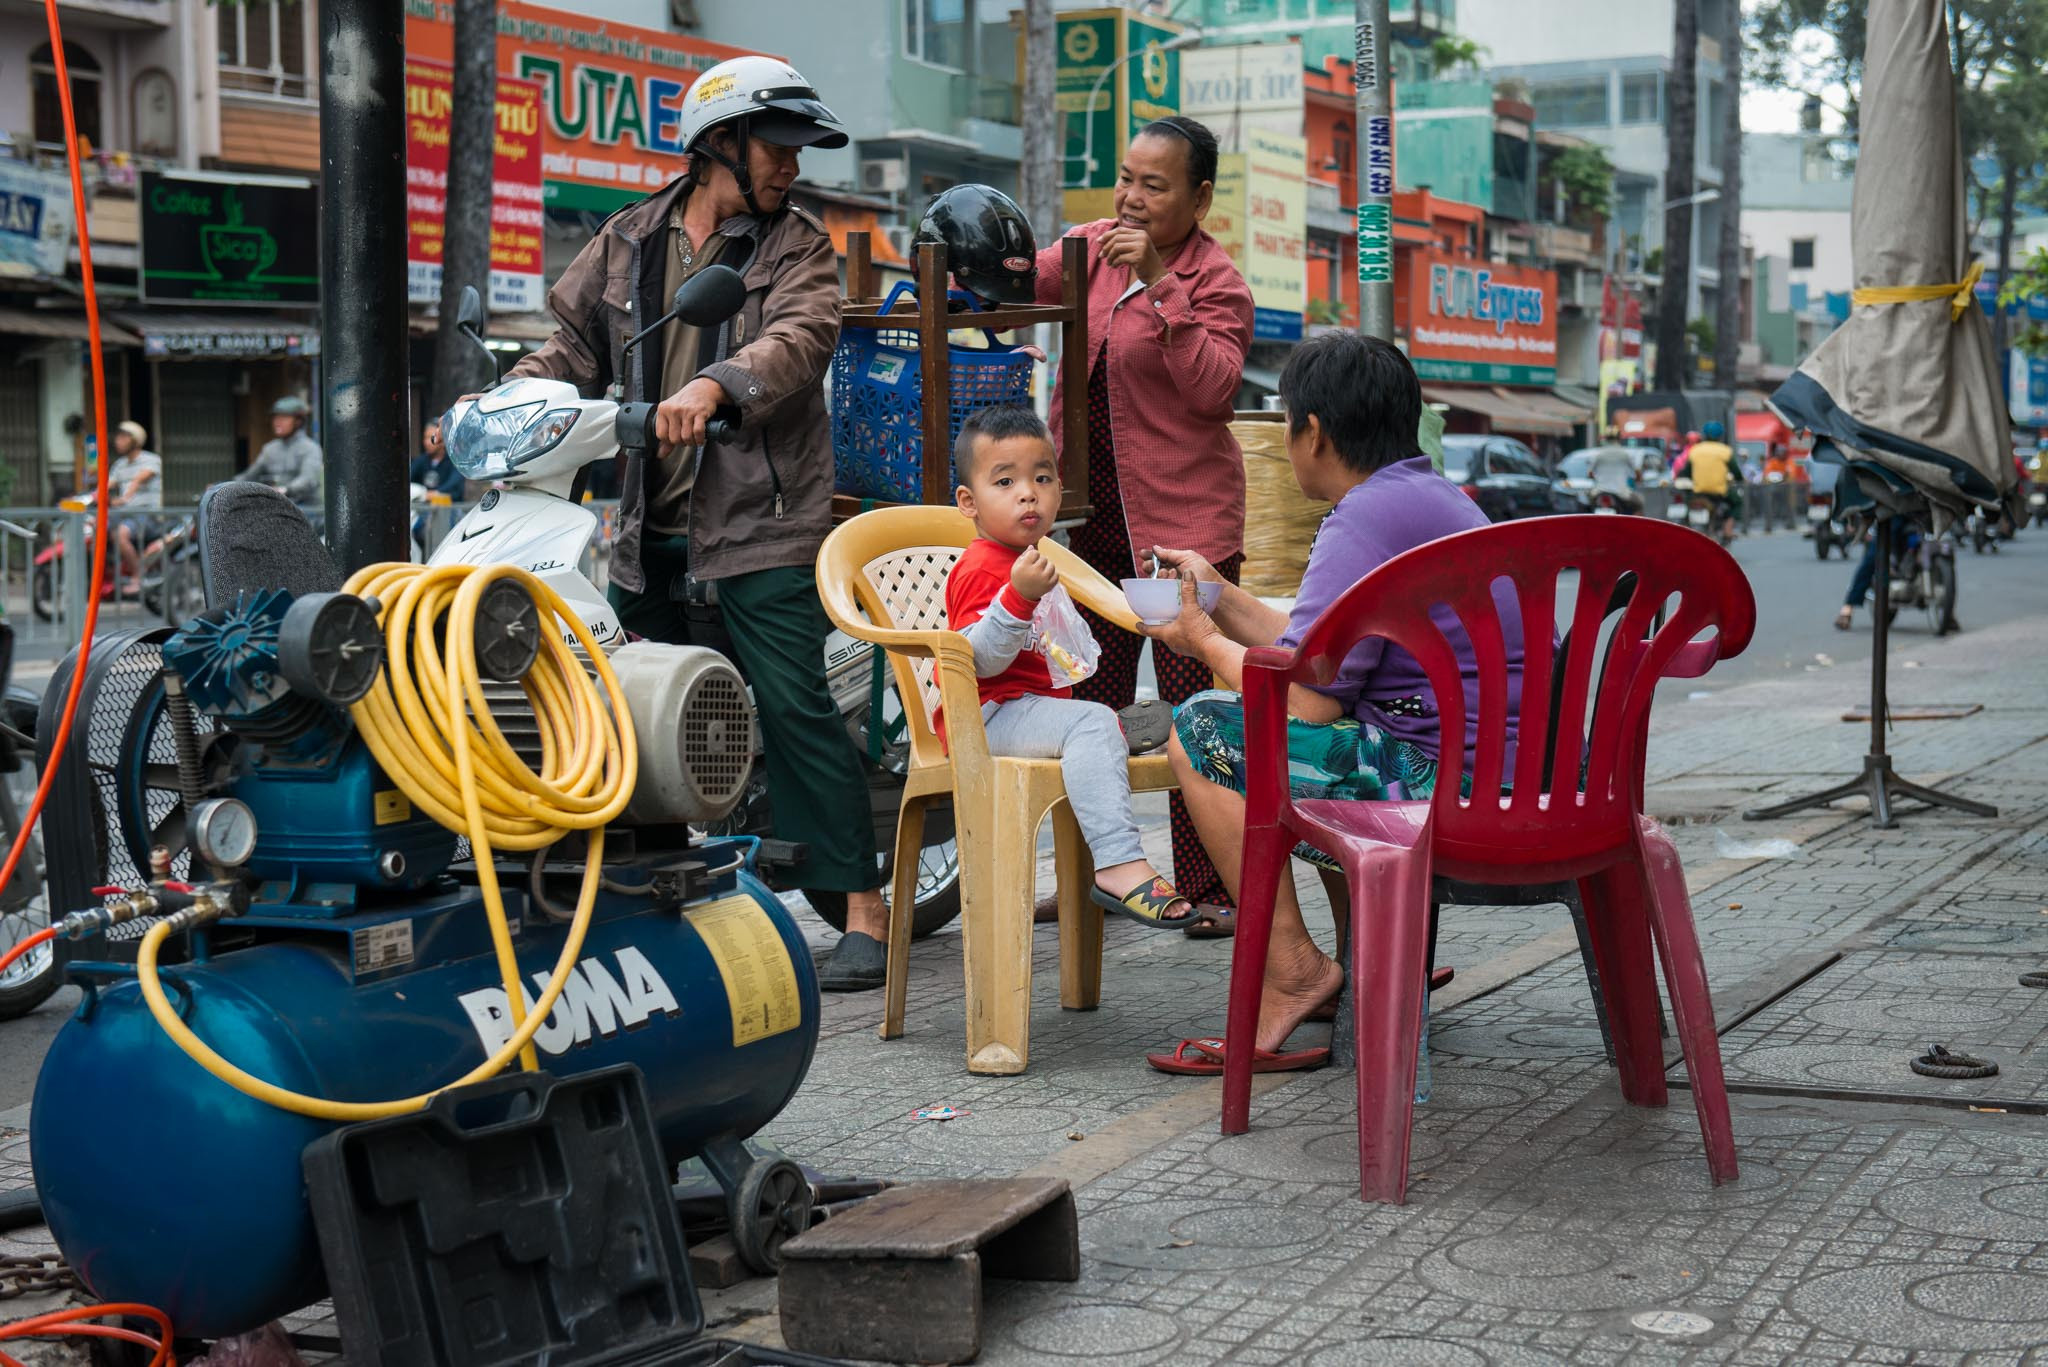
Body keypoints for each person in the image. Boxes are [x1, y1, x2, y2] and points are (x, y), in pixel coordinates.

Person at [501, 56, 890, 991]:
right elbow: (572, 346)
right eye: (778, 145)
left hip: (763, 521)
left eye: (798, 149)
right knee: (632, 712)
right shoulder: (629, 238)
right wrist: (504, 399)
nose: (792, 165)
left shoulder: (797, 248)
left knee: (793, 708)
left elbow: (798, 339)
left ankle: (864, 910)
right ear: (720, 143)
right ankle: (664, 895)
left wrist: (717, 385)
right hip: (651, 525)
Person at [1137, 332, 1525, 1074]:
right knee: (1340, 736)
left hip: (1448, 793)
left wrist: (1200, 642)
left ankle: (1295, 972)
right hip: (1525, 781)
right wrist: (1217, 597)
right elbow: (1318, 652)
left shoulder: (1362, 519)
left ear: (1311, 431)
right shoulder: (1434, 499)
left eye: (1288, 424)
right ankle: (1370, 958)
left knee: (1201, 730)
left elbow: (1305, 704)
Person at [1031, 114, 1255, 934]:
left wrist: (1161, 282)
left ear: (1199, 197)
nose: (1130, 197)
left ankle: (1213, 888)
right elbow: (1018, 277)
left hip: (1183, 528)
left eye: (1153, 186)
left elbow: (1214, 390)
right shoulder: (1088, 249)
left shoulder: (1217, 282)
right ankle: (1098, 876)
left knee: (1197, 712)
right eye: (1126, 178)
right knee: (1091, 702)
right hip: (1091, 522)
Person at [943, 406, 1191, 926]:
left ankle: (1105, 734)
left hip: (1029, 708)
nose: (1027, 494)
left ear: (1060, 489)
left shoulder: (1036, 557)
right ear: (968, 502)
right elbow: (979, 661)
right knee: (1092, 722)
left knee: (1096, 720)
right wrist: (1017, 598)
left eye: (1042, 478)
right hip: (986, 717)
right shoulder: (981, 567)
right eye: (1005, 481)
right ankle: (1118, 863)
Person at [240, 396, 323, 510]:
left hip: (306, 507)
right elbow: (250, 475)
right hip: (277, 504)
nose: (277, 422)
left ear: (298, 421)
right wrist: (226, 485)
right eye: (275, 418)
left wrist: (286, 489)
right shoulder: (270, 449)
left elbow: (308, 479)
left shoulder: (310, 448)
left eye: (284, 418)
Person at [106, 420, 163, 582]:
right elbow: (106, 486)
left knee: (120, 535)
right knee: (95, 527)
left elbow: (139, 479)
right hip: (124, 514)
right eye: (118, 437)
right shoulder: (119, 465)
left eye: (123, 438)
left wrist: (124, 498)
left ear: (135, 440)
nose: (118, 441)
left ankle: (138, 575)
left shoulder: (151, 460)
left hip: (146, 515)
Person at [1678, 420, 1737, 540]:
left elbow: (1686, 472)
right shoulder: (1725, 450)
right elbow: (1736, 472)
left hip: (1698, 492)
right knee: (1737, 502)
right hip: (1718, 493)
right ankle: (1728, 531)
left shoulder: (1695, 450)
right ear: (1720, 436)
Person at [409, 418, 462, 551]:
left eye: (431, 437)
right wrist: (421, 494)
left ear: (443, 440)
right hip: (425, 512)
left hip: (449, 512)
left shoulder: (453, 461)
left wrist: (436, 493)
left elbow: (454, 485)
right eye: (425, 438)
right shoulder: (422, 461)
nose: (427, 442)